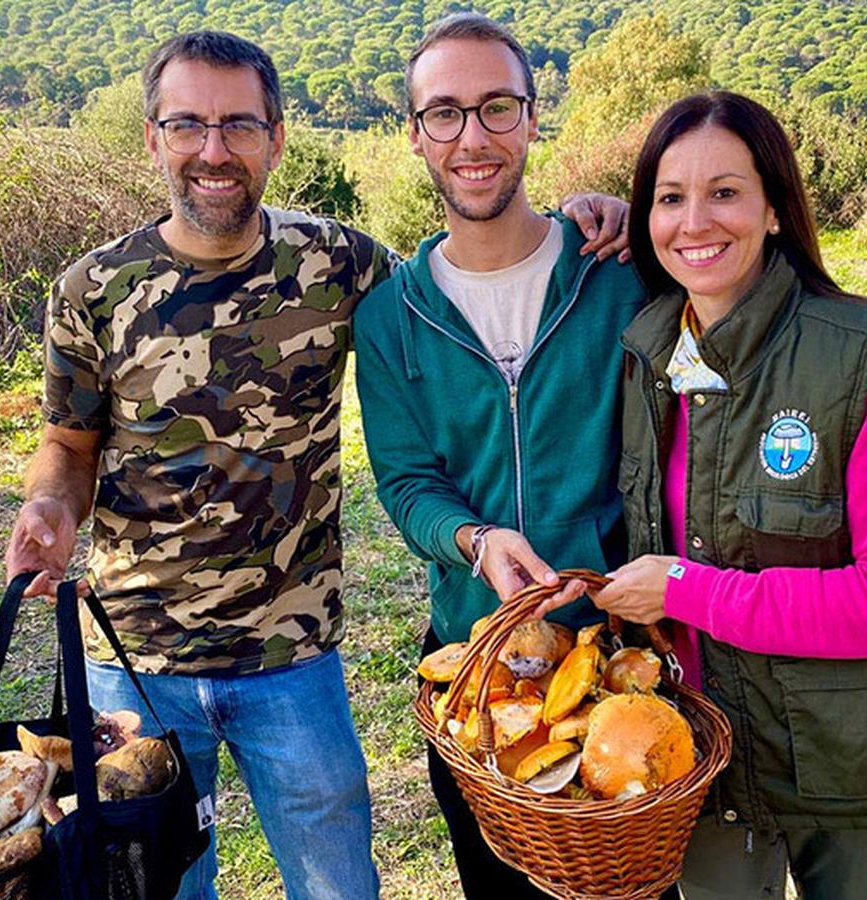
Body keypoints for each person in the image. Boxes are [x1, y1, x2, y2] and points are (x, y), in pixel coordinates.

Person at [1, 29, 629, 900]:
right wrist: (48, 508)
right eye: (187, 125)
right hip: (133, 656)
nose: (213, 151)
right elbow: (67, 445)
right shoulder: (92, 289)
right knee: (153, 883)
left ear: (276, 136)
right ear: (153, 137)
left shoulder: (340, 265)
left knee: (337, 885)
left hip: (292, 655)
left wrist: (600, 215)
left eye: (239, 125)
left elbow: (476, 259)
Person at [545, 91, 867, 899]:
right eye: (669, 198)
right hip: (705, 756)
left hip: (858, 764)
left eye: (725, 193)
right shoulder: (651, 350)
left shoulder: (865, 361)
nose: (695, 222)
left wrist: (687, 591)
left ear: (773, 210)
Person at [353, 14, 648, 899]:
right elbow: (407, 482)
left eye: (495, 108)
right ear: (413, 134)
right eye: (443, 113)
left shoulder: (620, 274)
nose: (471, 138)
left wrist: (642, 215)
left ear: (530, 117)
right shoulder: (389, 318)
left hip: (627, 648)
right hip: (477, 663)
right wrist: (476, 541)